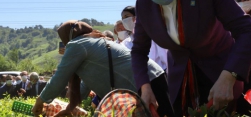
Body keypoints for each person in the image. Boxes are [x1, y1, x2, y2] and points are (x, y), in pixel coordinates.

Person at [127, 0, 251, 115]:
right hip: (181, 83)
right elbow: (138, 51)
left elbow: (246, 31)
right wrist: (145, 87)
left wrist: (229, 77)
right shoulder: (143, 5)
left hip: (220, 74)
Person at [32, 20, 173, 117]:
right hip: (150, 78)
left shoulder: (77, 44)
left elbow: (60, 77)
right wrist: (69, 109)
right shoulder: (92, 42)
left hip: (146, 82)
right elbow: (85, 87)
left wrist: (41, 100)